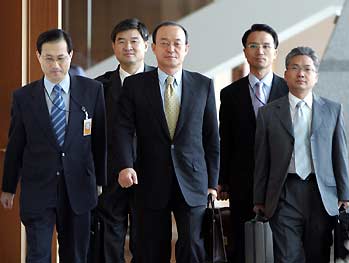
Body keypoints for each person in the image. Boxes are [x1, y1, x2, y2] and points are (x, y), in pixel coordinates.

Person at [115, 21, 220, 263]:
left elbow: (211, 137)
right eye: (164, 43)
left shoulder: (203, 85)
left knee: (193, 245)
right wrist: (125, 164)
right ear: (153, 48)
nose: (170, 48)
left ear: (186, 49)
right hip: (149, 179)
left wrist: (213, 183)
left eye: (177, 43)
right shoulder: (135, 85)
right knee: (151, 248)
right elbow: (122, 129)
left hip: (193, 182)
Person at [0, 29, 107, 262]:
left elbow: (99, 140)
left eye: (61, 58)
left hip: (79, 187)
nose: (55, 65)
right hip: (38, 189)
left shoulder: (92, 91)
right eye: (48, 58)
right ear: (38, 56)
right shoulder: (23, 97)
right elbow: (16, 145)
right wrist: (8, 187)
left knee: (75, 254)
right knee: (38, 253)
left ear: (70, 55)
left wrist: (100, 181)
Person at [253, 46, 349, 262]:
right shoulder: (268, 113)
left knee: (318, 254)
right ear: (286, 74)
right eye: (295, 68)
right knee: (287, 256)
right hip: (284, 193)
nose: (301, 73)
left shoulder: (332, 110)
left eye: (307, 69)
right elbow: (262, 159)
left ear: (316, 76)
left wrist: (345, 194)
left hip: (321, 194)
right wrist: (259, 198)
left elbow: (340, 155)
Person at [217, 23, 288, 262]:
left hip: (283, 181)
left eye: (266, 46)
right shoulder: (229, 94)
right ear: (245, 52)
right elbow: (224, 138)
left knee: (281, 244)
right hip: (242, 181)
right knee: (242, 242)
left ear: (275, 52)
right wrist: (222, 179)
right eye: (253, 45)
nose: (260, 51)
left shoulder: (289, 90)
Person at [95, 18, 154, 263]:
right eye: (121, 41)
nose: (128, 46)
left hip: (149, 173)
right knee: (109, 237)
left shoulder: (161, 81)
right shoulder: (99, 86)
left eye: (134, 41)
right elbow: (95, 133)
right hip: (110, 176)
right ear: (113, 47)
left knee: (146, 238)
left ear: (146, 46)